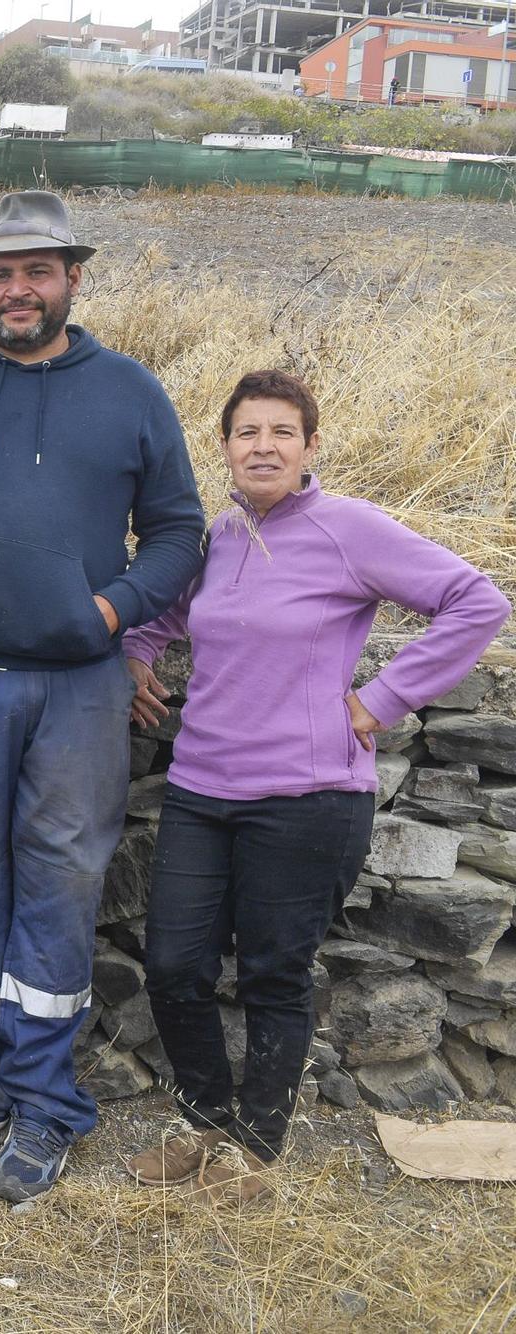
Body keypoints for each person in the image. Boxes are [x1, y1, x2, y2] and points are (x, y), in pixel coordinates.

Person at [0, 190, 206, 1202]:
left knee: (61, 882)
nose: (15, 289)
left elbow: (178, 533)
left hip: (77, 688)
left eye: (35, 271)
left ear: (70, 276)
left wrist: (111, 616)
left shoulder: (129, 392)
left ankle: (45, 1100)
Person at [122, 370, 508, 1204]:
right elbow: (169, 611)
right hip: (200, 788)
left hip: (308, 798)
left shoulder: (348, 529)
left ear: (309, 446)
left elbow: (475, 600)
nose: (263, 446)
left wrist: (385, 697)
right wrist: (135, 654)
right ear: (223, 447)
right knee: (174, 965)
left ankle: (253, 1148)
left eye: (281, 432)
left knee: (273, 972)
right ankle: (202, 1120)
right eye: (246, 432)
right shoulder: (218, 536)